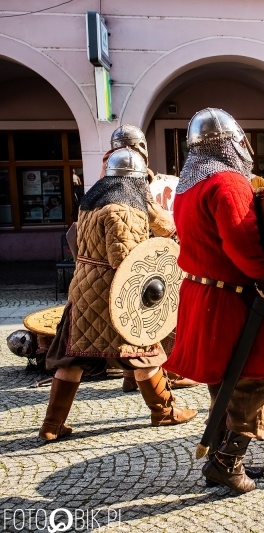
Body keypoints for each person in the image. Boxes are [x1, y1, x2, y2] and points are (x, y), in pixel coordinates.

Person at [163, 108, 264, 493]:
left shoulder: (187, 187)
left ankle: (220, 453)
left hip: (202, 293)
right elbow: (242, 243)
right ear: (232, 142)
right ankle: (228, 461)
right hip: (231, 300)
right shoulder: (228, 183)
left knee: (225, 376)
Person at [37, 148, 198, 443]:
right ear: (135, 180)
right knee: (144, 353)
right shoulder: (123, 209)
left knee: (71, 359)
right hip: (114, 294)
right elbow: (126, 260)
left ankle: (51, 425)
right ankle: (162, 412)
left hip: (83, 290)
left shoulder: (89, 204)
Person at [104, 124, 196, 393]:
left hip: (110, 264)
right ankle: (171, 373)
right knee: (162, 316)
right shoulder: (134, 177)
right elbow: (161, 221)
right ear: (141, 148)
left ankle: (131, 376)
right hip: (138, 260)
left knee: (129, 320)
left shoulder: (104, 179)